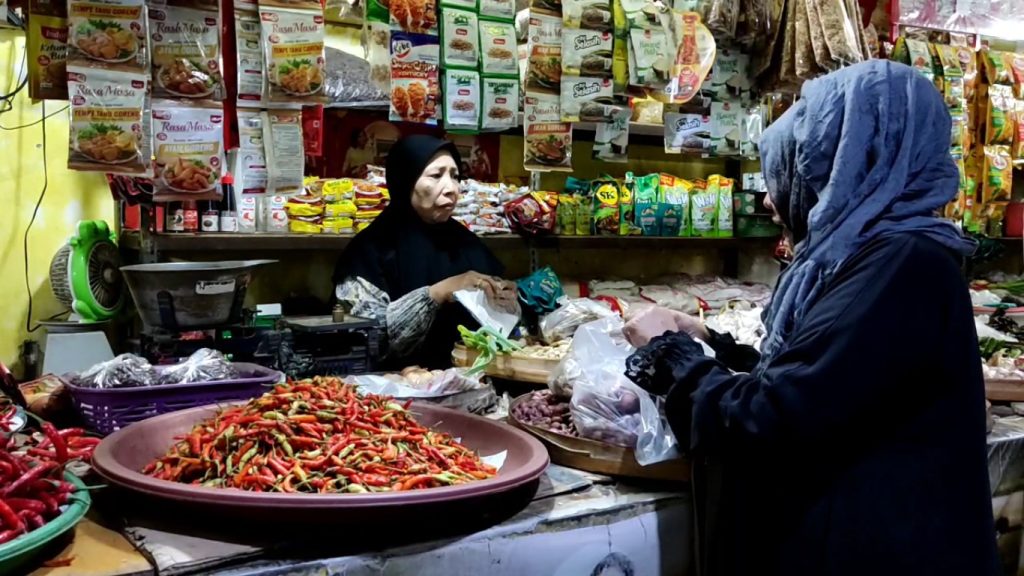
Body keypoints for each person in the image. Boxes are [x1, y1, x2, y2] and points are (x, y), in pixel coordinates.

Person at [622, 60, 998, 576]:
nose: (772, 200)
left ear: (847, 164)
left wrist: (670, 353)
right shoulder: (877, 256)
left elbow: (773, 418)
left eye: (798, 166)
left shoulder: (902, 265)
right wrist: (711, 340)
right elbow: (827, 380)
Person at [334, 135, 518, 369]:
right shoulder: (371, 250)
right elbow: (370, 339)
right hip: (394, 392)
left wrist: (505, 300)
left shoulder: (466, 243)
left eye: (455, 176)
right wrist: (439, 292)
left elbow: (498, 328)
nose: (451, 189)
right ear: (405, 181)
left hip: (470, 383)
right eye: (436, 175)